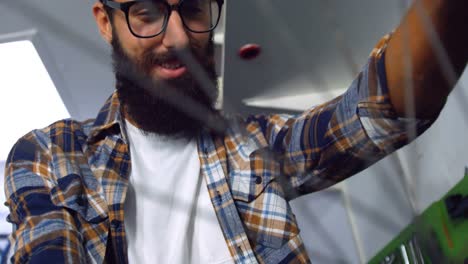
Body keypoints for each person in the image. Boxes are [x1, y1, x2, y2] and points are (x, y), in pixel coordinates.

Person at [3, 0, 467, 263]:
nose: (180, 38)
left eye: (193, 9)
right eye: (146, 11)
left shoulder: (253, 145)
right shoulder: (51, 154)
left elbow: (381, 112)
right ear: (107, 22)